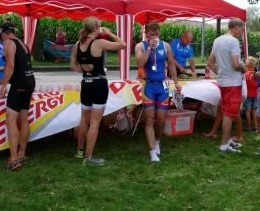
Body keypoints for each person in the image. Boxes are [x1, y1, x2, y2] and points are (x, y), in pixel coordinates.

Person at [70, 17, 126, 165]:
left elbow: (73, 66)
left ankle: (79, 151)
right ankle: (88, 158)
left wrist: (85, 69)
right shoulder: (99, 43)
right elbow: (123, 45)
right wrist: (110, 33)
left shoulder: (77, 44)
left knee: (84, 120)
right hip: (99, 84)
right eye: (99, 27)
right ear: (95, 28)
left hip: (86, 84)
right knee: (94, 122)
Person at [135, 21, 180, 162]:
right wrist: (149, 48)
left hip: (163, 86)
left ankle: (157, 141)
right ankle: (152, 152)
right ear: (146, 34)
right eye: (151, 34)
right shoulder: (140, 46)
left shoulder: (165, 46)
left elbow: (171, 64)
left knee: (161, 120)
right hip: (148, 85)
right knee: (149, 119)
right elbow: (140, 63)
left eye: (157, 34)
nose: (154, 37)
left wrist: (176, 82)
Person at [0, 22, 35, 170]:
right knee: (24, 118)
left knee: (10, 120)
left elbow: (11, 66)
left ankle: (13, 160)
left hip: (19, 84)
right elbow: (21, 64)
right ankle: (21, 153)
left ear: (3, 34)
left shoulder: (8, 43)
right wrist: (5, 79)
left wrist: (4, 85)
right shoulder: (22, 43)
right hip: (29, 82)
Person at [207, 18, 246, 154]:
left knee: (228, 111)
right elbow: (235, 64)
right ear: (235, 27)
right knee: (229, 114)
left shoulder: (217, 40)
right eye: (241, 29)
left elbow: (210, 62)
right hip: (233, 83)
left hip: (223, 81)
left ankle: (227, 141)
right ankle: (223, 145)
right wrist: (244, 69)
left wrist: (221, 72)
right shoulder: (233, 41)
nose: (242, 32)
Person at [243, 57, 259, 132]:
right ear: (255, 66)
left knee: (247, 111)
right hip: (255, 95)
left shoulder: (245, 75)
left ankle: (248, 126)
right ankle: (256, 126)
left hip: (248, 95)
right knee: (254, 111)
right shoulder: (257, 75)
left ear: (246, 65)